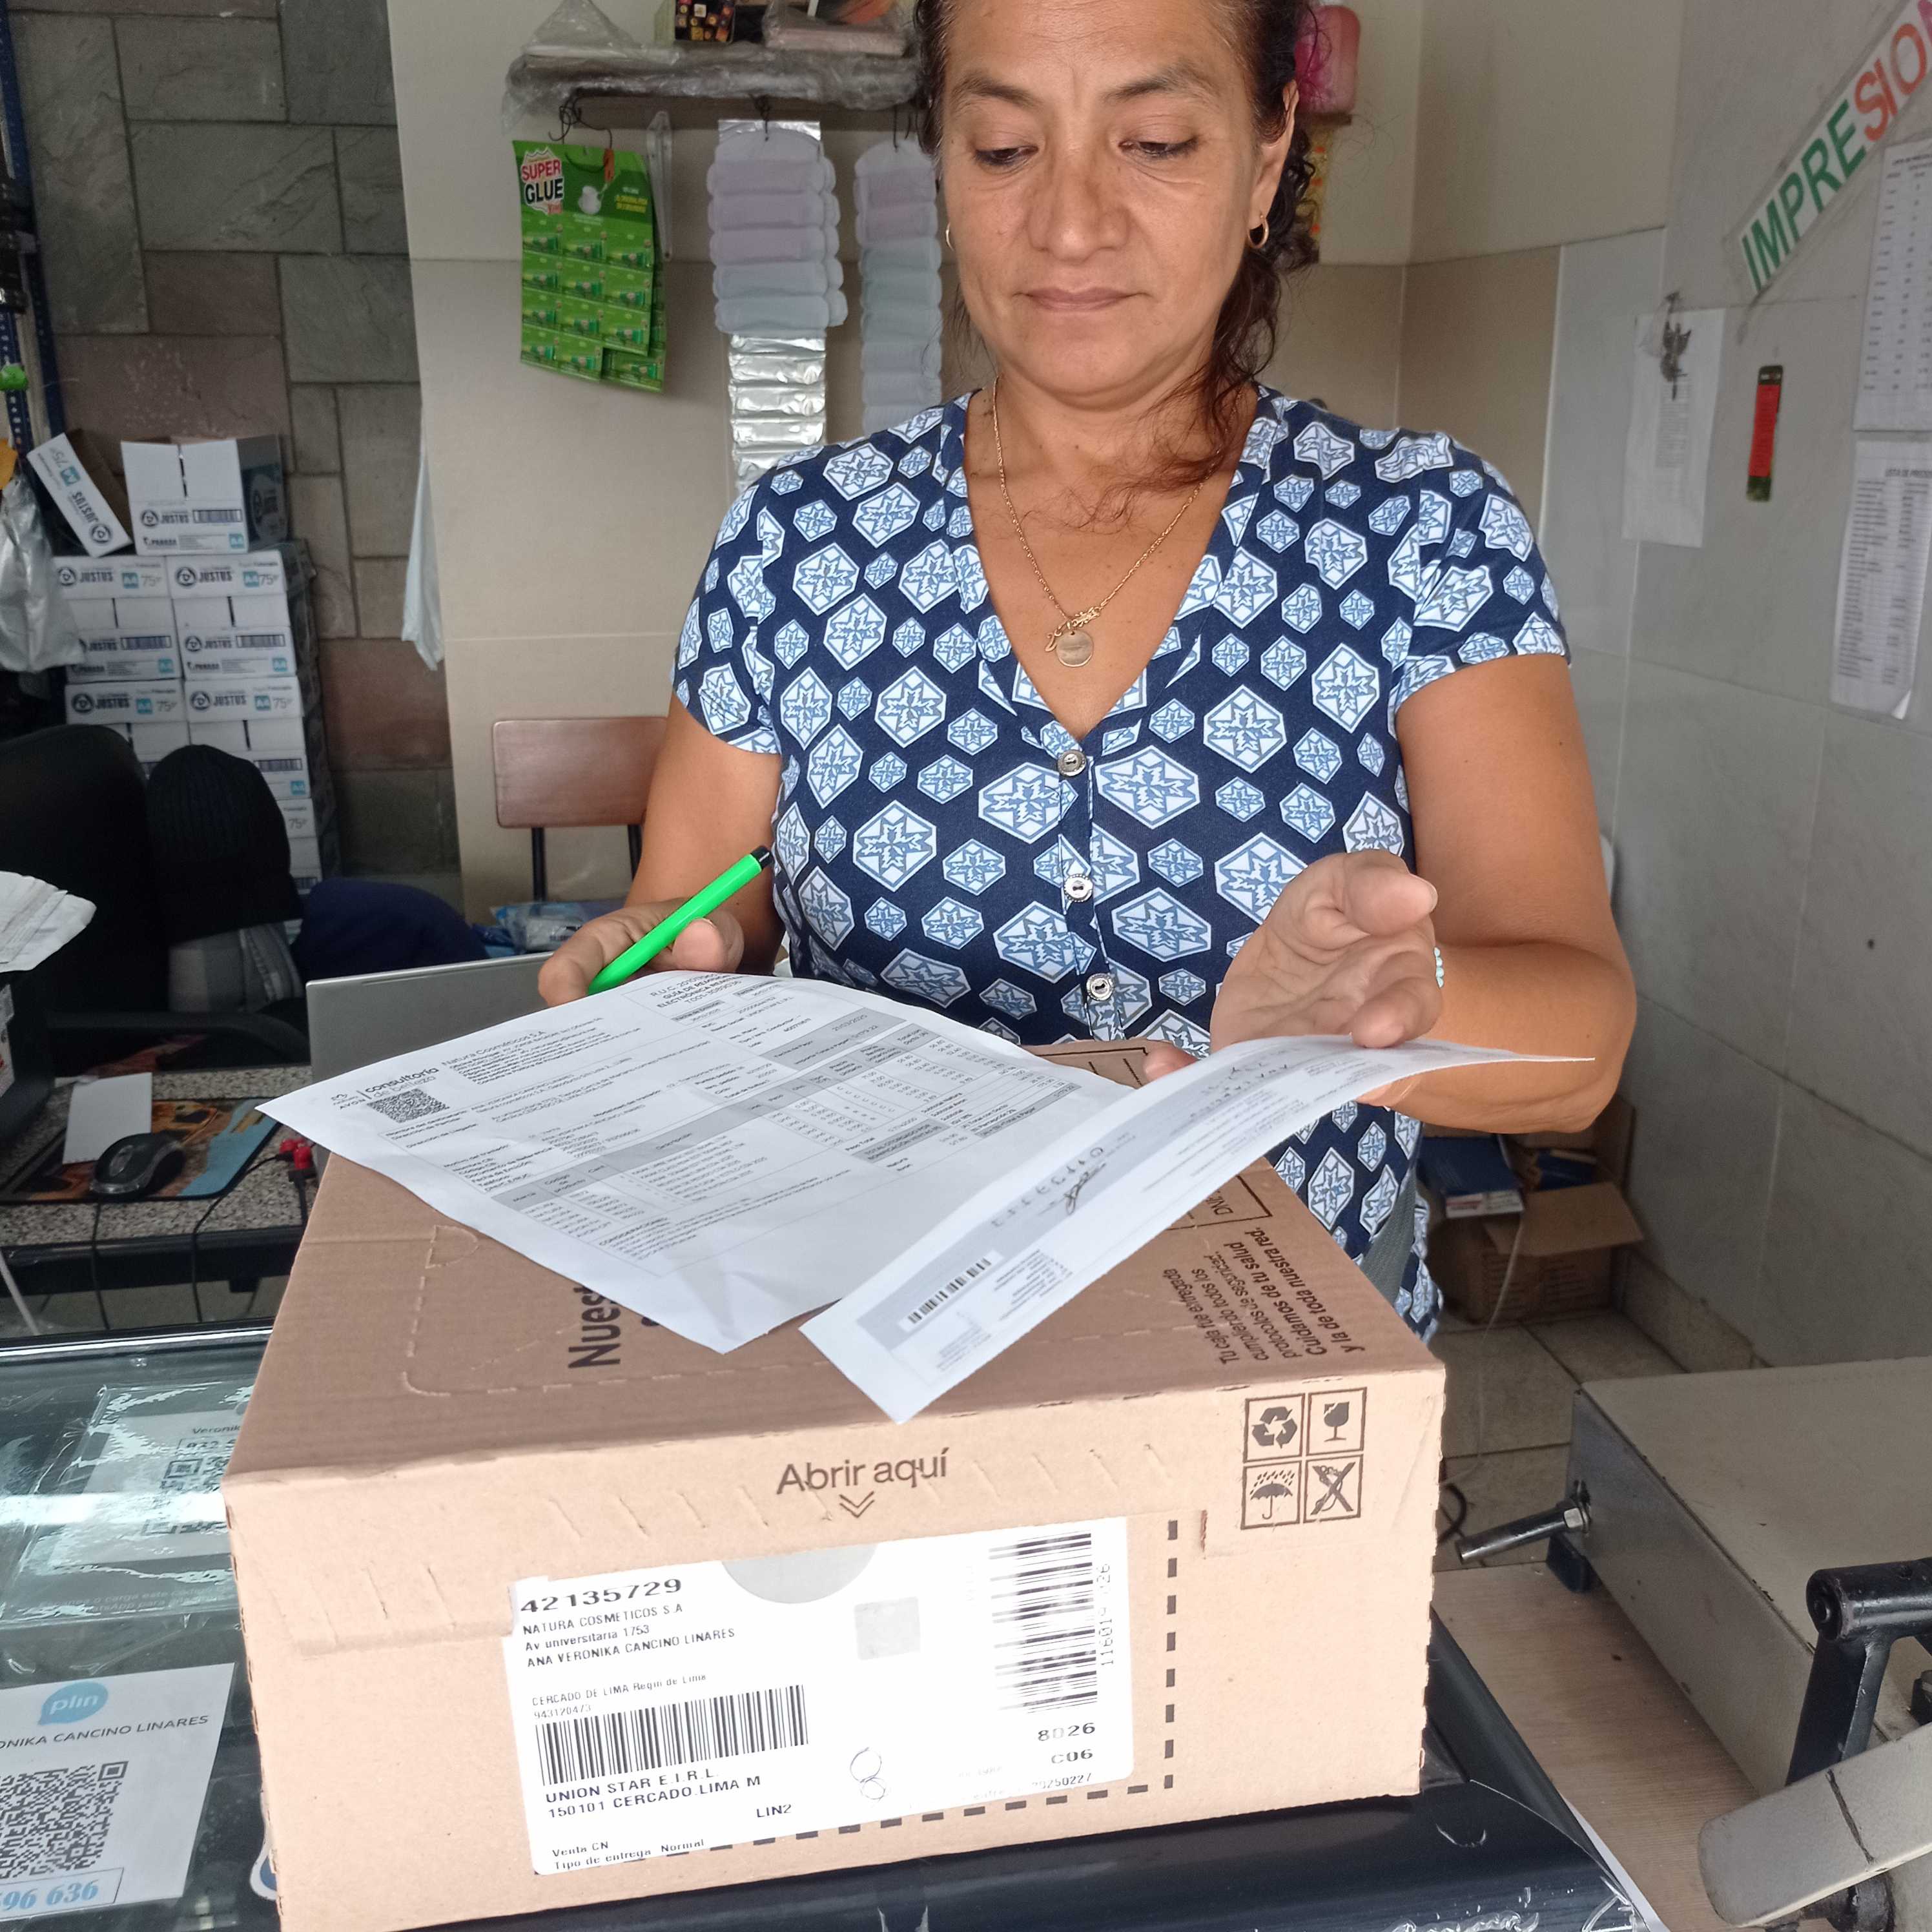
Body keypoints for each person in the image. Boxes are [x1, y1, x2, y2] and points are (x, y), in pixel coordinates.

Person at [542, 0, 1636, 1335]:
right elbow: (697, 920)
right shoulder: (797, 544)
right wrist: (679, 962)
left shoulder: (1419, 532)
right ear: (943, 165)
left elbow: (1578, 1033)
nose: (1068, 225)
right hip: (877, 1348)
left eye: (1155, 142)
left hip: (1270, 1382)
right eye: (1004, 149)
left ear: (1265, 158)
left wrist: (1380, 1010)